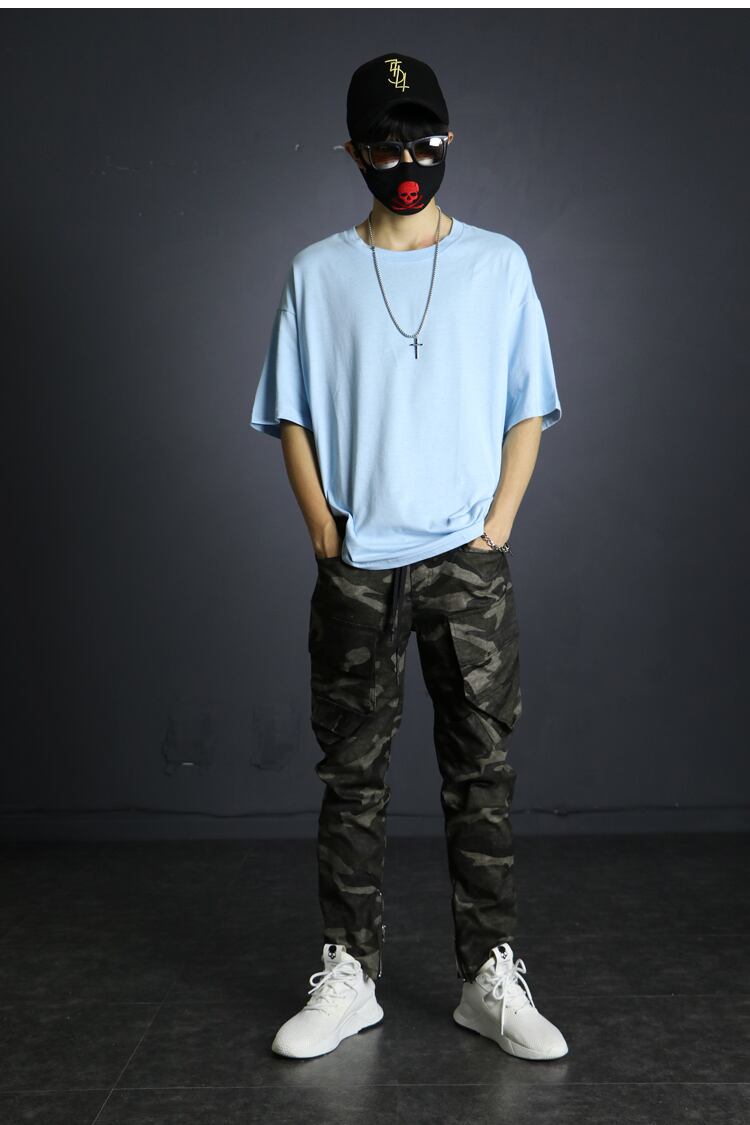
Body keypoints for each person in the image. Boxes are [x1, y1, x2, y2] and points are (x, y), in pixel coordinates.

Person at [250, 51, 567, 1061]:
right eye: (384, 147)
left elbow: (529, 404)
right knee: (353, 777)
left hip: (468, 565)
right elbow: (291, 413)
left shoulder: (499, 264)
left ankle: (489, 977)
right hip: (359, 564)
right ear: (351, 153)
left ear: (449, 138)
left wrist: (499, 523)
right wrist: (322, 528)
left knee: (483, 773)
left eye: (423, 141)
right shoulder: (316, 272)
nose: (407, 162)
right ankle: (350, 975)